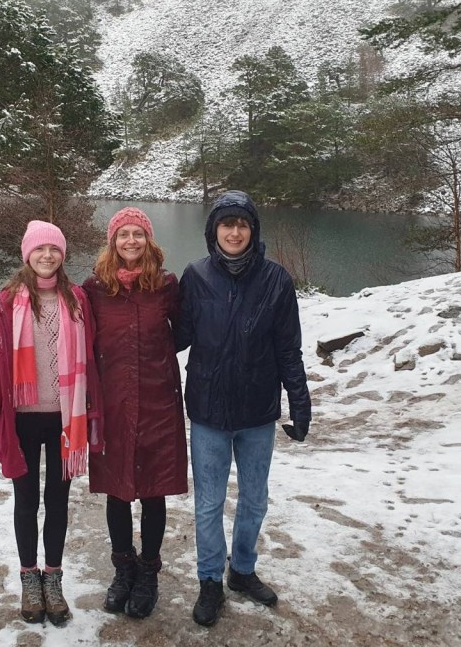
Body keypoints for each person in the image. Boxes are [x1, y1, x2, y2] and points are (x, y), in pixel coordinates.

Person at [176, 190, 312, 627]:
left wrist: (300, 402)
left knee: (254, 499)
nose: (234, 232)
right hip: (208, 411)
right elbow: (174, 338)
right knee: (209, 503)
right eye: (226, 224)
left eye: (242, 224)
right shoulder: (195, 277)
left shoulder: (276, 280)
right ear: (213, 230)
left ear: (253, 229)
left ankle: (242, 569)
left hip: (257, 411)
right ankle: (210, 580)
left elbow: (288, 349)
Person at [0, 220, 102, 627]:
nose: (47, 255)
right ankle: (29, 578)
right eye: (39, 249)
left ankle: (53, 578)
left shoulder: (77, 299)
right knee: (26, 502)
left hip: (65, 420)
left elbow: (93, 361)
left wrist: (98, 416)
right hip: (21, 422)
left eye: (54, 249)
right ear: (27, 254)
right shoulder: (6, 304)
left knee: (57, 502)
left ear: (62, 255)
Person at [83, 207, 187, 619]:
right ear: (112, 241)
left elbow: (185, 332)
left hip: (158, 400)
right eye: (123, 234)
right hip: (112, 403)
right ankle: (123, 568)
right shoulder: (94, 288)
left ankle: (148, 572)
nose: (131, 241)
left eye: (138, 234)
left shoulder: (166, 285)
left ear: (148, 240)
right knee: (117, 489)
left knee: (153, 489)